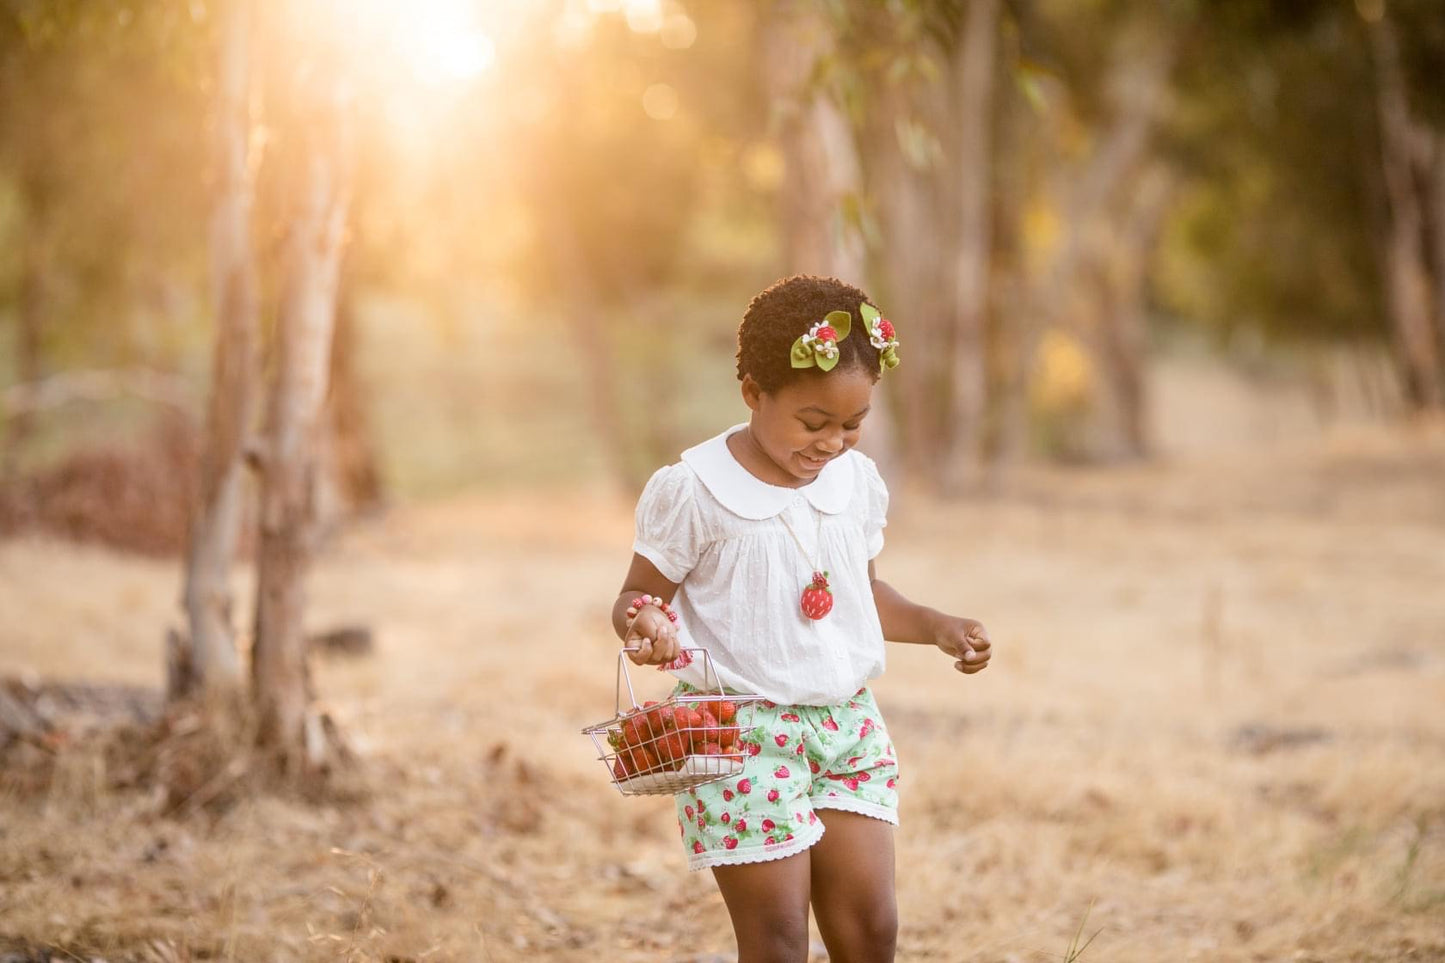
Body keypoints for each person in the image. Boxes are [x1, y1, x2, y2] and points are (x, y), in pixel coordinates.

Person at [610, 274, 992, 963]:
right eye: (813, 423)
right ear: (753, 392)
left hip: (847, 727)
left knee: (870, 930)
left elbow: (862, 595)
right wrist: (646, 624)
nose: (831, 443)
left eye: (852, 424)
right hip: (737, 733)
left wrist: (936, 625)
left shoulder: (854, 484)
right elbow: (637, 594)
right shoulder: (696, 491)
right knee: (779, 941)